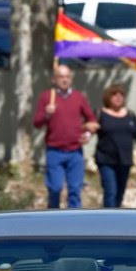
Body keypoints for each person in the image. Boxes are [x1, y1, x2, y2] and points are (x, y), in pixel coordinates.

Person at [32, 63, 98, 209]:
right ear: (54, 79)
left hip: (75, 152)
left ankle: (74, 221)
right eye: (61, 77)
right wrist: (46, 114)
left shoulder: (78, 97)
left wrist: (87, 134)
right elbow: (36, 123)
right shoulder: (47, 97)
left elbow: (92, 120)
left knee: (75, 190)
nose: (64, 80)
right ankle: (53, 218)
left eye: (67, 76)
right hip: (55, 151)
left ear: (71, 79)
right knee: (55, 188)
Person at [93, 83, 136, 209]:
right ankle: (108, 217)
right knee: (111, 191)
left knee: (120, 192)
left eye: (121, 94)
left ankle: (116, 215)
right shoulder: (100, 114)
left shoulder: (130, 115)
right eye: (114, 94)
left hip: (124, 160)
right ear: (108, 97)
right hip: (106, 160)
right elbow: (89, 129)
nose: (118, 97)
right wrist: (86, 133)